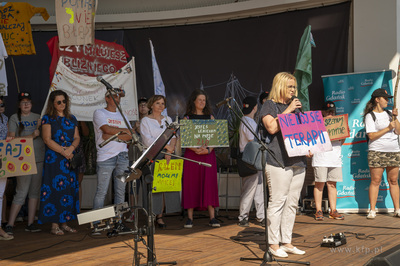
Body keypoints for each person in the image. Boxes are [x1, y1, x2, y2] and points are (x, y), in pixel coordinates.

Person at [260, 72, 310, 258]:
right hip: (278, 161)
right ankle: (273, 245)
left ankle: (286, 242)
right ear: (280, 86)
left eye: (294, 87)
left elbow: (303, 131)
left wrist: (309, 145)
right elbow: (271, 127)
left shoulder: (296, 107)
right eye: (290, 86)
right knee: (278, 202)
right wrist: (288, 110)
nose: (293, 90)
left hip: (298, 161)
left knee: (292, 204)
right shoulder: (269, 105)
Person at [38, 90, 80, 235]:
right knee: (55, 189)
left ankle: (65, 222)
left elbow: (77, 137)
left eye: (64, 101)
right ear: (53, 103)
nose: (62, 104)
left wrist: (71, 149)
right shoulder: (47, 118)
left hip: (69, 158)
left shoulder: (72, 118)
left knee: (68, 190)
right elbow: (47, 139)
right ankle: (54, 225)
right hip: (55, 159)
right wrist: (64, 152)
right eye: (59, 102)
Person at [92, 89, 133, 234]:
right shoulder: (100, 113)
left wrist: (113, 134)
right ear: (107, 98)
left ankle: (119, 222)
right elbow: (105, 129)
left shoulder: (123, 114)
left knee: (120, 191)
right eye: (114, 96)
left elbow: (130, 134)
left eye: (119, 96)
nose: (117, 98)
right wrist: (123, 132)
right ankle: (96, 224)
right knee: (101, 191)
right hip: (106, 157)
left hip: (122, 156)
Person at [4, 92, 45, 235]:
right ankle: (9, 224)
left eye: (28, 102)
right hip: (23, 160)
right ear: (19, 105)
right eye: (23, 102)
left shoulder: (38, 117)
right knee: (21, 191)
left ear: (32, 104)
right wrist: (32, 135)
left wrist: (41, 127)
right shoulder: (15, 118)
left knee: (35, 191)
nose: (26, 104)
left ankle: (30, 223)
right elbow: (11, 139)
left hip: (39, 157)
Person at [140, 95, 180, 228]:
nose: (161, 106)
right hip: (153, 156)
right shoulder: (145, 121)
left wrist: (170, 151)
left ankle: (160, 216)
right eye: (158, 103)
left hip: (168, 155)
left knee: (165, 186)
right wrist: (166, 147)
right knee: (153, 187)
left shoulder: (168, 119)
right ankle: (151, 216)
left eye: (163, 103)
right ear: (151, 105)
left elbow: (174, 135)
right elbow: (147, 140)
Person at [182, 89, 220, 228]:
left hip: (208, 155)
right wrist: (195, 149)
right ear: (194, 101)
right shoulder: (187, 118)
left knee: (209, 184)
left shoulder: (210, 117)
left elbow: (216, 138)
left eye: (204, 100)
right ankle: (190, 218)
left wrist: (208, 149)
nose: (202, 102)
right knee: (191, 184)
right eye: (200, 100)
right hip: (192, 155)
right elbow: (184, 139)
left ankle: (212, 217)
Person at [363, 88, 400, 219]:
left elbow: (399, 131)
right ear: (377, 99)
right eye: (385, 98)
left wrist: (396, 118)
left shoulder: (390, 113)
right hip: (377, 151)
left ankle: (397, 209)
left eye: (389, 98)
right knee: (376, 180)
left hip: (394, 151)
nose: (388, 101)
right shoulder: (370, 116)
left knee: (394, 180)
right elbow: (372, 136)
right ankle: (372, 210)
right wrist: (388, 128)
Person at [312, 101, 344, 221]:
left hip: (335, 158)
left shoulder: (339, 123)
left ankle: (333, 210)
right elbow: (311, 138)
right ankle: (319, 210)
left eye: (332, 111)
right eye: (327, 111)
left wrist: (344, 132)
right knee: (319, 184)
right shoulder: (316, 124)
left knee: (332, 184)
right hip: (320, 158)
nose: (330, 113)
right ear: (322, 112)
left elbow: (342, 141)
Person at [237, 96, 265, 227]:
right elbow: (252, 140)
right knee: (249, 188)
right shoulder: (248, 121)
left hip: (255, 157)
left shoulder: (247, 120)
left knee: (259, 188)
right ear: (255, 107)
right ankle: (243, 217)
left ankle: (261, 215)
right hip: (250, 157)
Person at [0, 96, 12, 240]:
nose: (1, 107)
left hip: (3, 158)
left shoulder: (5, 118)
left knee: (1, 193)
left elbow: (8, 135)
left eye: (2, 105)